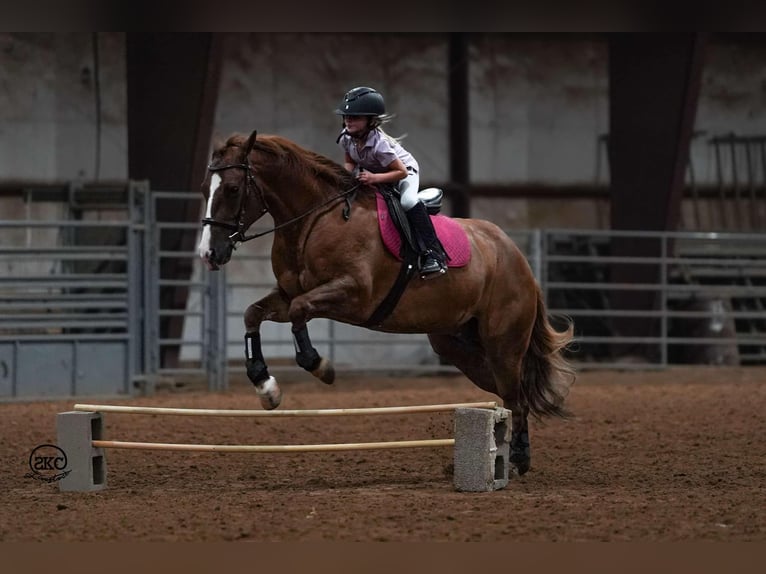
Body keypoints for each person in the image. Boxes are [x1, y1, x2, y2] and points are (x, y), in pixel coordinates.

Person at [335, 86, 446, 279]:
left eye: (355, 117)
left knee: (408, 202)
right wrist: (344, 180)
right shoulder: (347, 137)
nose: (348, 120)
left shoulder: (380, 145)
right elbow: (350, 161)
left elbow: (400, 172)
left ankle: (434, 253)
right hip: (377, 173)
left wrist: (374, 178)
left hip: (404, 172)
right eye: (346, 116)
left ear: (370, 121)